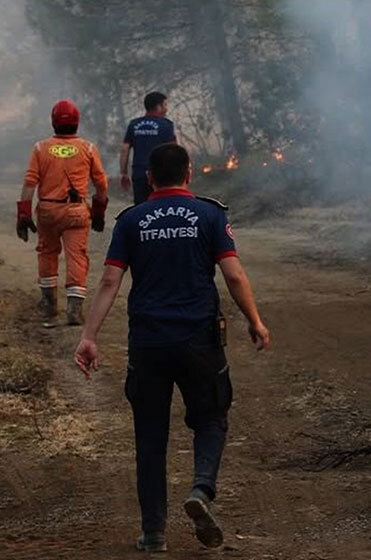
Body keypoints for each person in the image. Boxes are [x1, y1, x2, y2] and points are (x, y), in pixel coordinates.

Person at [73, 143, 271, 552]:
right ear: (189, 173)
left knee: (149, 436)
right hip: (200, 338)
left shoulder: (131, 221)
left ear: (150, 178)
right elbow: (233, 275)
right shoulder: (210, 214)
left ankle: (154, 534)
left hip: (148, 343)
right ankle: (200, 489)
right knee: (212, 418)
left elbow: (110, 282)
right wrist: (254, 319)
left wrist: (89, 336)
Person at [17, 99, 109, 327]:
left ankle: (49, 307)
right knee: (77, 256)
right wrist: (99, 211)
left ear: (53, 122)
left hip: (48, 211)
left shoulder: (40, 148)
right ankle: (74, 310)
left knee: (47, 253)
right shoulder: (88, 148)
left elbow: (30, 183)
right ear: (77, 122)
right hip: (76, 212)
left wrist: (24, 213)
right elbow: (101, 183)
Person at [120, 92, 177, 205]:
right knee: (161, 208)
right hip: (161, 176)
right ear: (158, 106)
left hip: (139, 174)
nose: (166, 108)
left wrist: (124, 173)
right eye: (165, 105)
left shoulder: (134, 124)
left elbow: (124, 149)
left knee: (141, 208)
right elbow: (174, 151)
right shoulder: (166, 125)